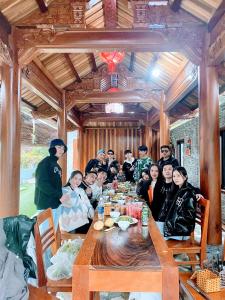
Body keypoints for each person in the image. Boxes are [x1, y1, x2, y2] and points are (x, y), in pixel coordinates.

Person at [34, 138, 68, 229]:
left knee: (52, 233)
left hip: (56, 204)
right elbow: (41, 184)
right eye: (59, 147)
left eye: (63, 148)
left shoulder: (57, 166)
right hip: (46, 205)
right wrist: (59, 195)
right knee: (45, 236)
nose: (62, 149)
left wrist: (61, 196)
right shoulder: (45, 163)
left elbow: (56, 185)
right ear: (52, 149)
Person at [158, 166, 198, 240]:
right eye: (174, 176)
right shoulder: (177, 190)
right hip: (172, 226)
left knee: (154, 237)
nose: (176, 178)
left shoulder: (188, 193)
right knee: (151, 228)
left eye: (178, 176)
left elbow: (189, 216)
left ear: (185, 177)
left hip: (180, 230)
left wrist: (170, 225)